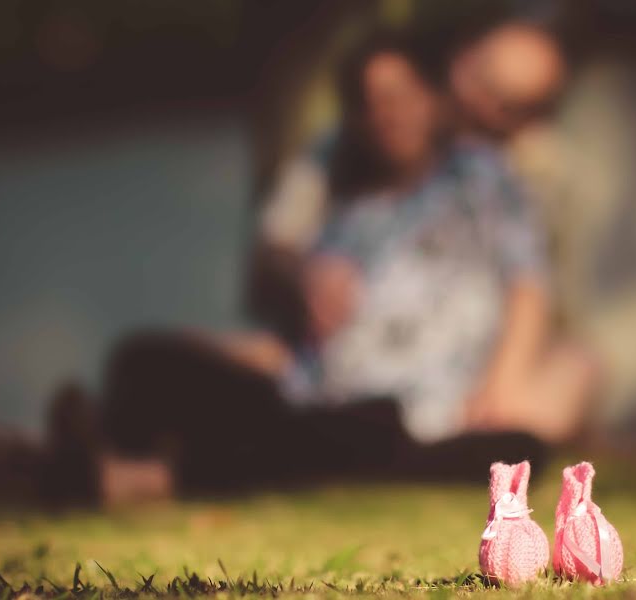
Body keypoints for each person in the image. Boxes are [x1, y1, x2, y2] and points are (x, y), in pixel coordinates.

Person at [100, 30, 585, 496]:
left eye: (399, 97)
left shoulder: (482, 177)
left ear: (433, 98)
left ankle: (142, 476)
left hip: (412, 411)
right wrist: (305, 278)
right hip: (312, 391)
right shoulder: (339, 177)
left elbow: (528, 282)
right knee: (144, 358)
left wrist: (502, 385)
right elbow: (275, 251)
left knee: (504, 447)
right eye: (370, 103)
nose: (386, 116)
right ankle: (103, 457)